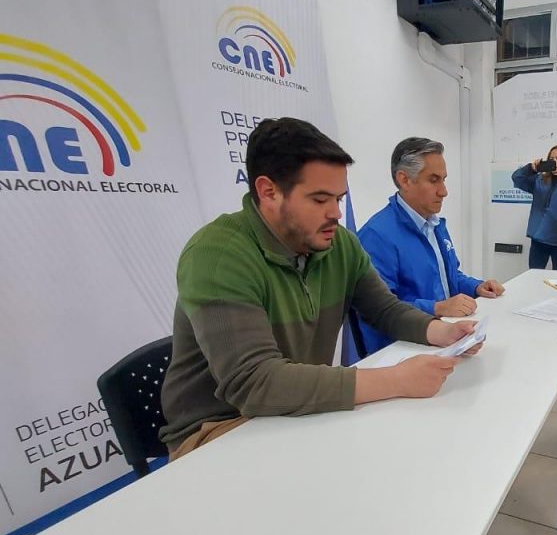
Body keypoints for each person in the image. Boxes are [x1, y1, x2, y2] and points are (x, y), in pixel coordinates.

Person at [159, 118, 480, 460]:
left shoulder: (338, 244)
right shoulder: (218, 255)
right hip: (218, 430)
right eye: (319, 200)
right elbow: (254, 382)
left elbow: (384, 309)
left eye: (339, 199)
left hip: (293, 410)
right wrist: (397, 380)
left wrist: (441, 332)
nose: (336, 214)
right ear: (268, 192)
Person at [357, 137, 505, 355]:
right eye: (434, 180)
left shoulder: (434, 224)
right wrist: (437, 308)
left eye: (443, 180)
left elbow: (449, 276)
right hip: (403, 349)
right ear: (404, 180)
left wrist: (476, 287)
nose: (444, 191)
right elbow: (380, 310)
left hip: (443, 337)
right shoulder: (376, 236)